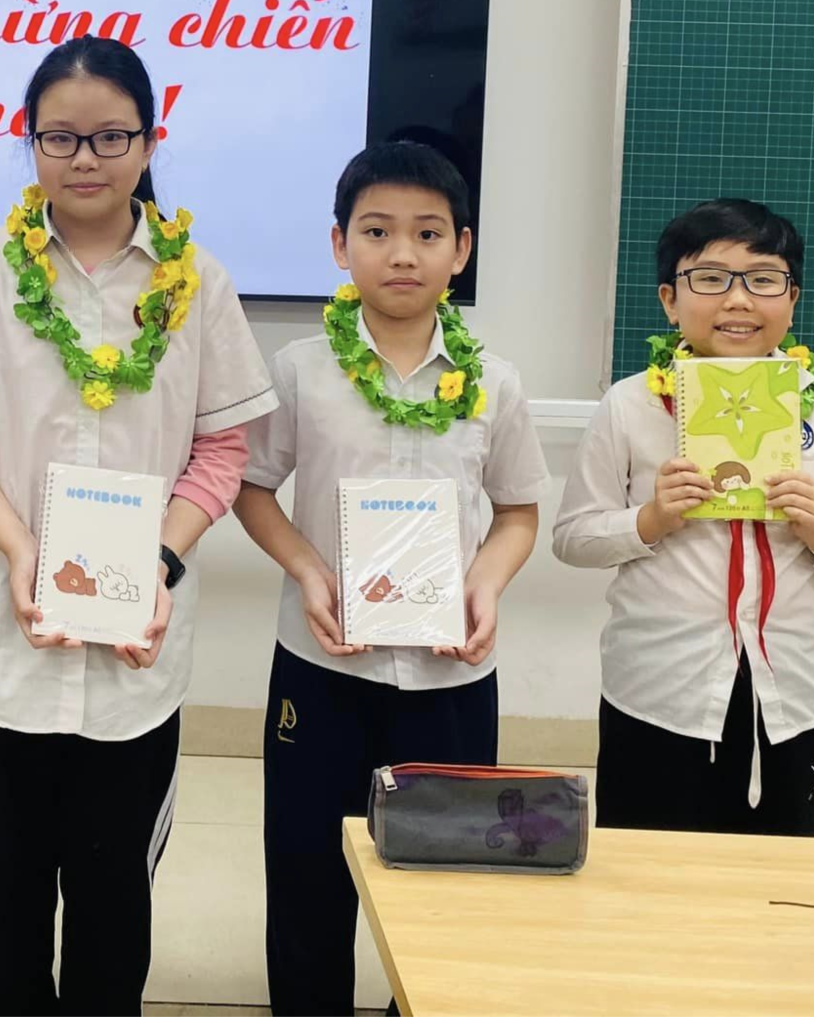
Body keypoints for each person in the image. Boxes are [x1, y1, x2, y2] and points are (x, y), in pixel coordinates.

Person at [0, 34, 275, 1017]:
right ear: (29, 142)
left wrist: (160, 559)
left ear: (149, 142)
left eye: (111, 136)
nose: (85, 158)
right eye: (59, 138)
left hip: (136, 658)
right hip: (4, 646)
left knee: (115, 907)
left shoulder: (197, 280)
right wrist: (21, 549)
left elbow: (221, 450)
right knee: (11, 897)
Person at [235, 142, 547, 1017]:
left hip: (450, 673)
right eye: (376, 231)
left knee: (449, 880)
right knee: (306, 871)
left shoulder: (495, 383)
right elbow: (251, 488)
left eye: (427, 233)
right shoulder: (302, 370)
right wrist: (307, 569)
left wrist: (486, 583)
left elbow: (518, 511)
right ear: (340, 244)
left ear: (462, 248)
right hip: (323, 664)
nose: (402, 253)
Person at [553, 198, 814, 834]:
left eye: (763, 279)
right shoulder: (630, 407)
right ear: (669, 300)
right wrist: (651, 519)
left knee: (780, 875)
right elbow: (573, 538)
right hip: (659, 693)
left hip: (790, 695)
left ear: (792, 300)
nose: (738, 300)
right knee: (649, 873)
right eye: (710, 278)